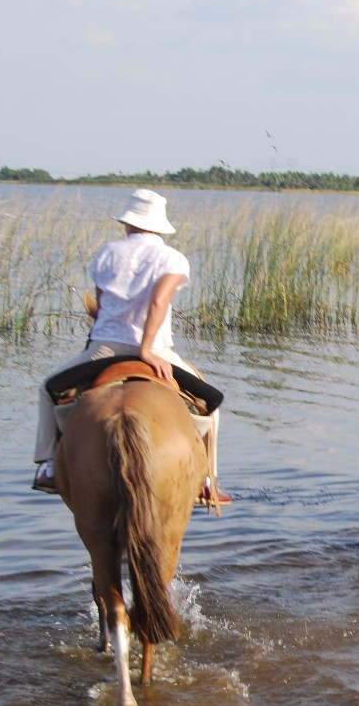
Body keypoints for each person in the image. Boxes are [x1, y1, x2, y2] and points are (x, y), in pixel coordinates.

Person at [32, 189, 230, 503]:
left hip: (104, 349)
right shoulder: (172, 258)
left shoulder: (107, 253)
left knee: (47, 389)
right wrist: (147, 350)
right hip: (155, 351)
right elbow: (159, 301)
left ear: (127, 223)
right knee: (212, 404)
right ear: (160, 225)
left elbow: (100, 303)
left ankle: (50, 466)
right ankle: (208, 481)